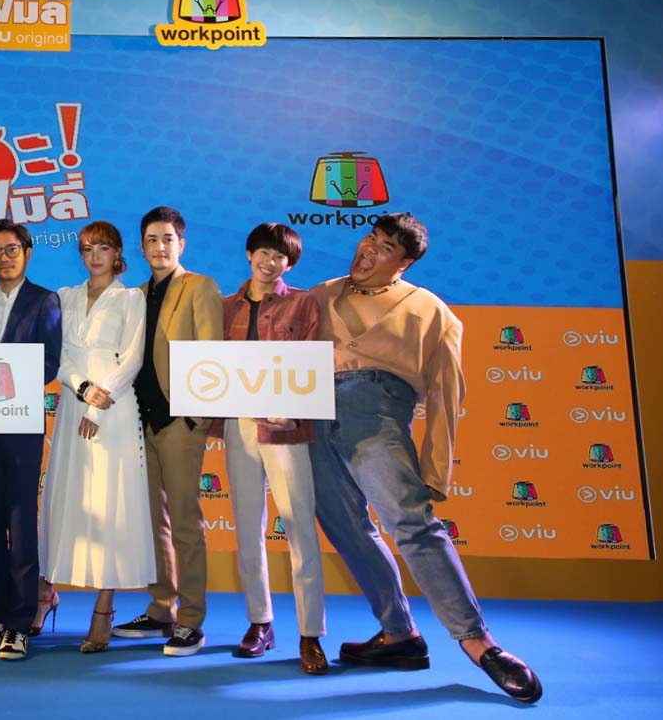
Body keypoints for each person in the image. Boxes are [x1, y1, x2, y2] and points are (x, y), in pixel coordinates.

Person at [308, 213, 542, 702]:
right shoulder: (319, 294)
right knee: (347, 530)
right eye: (370, 237)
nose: (370, 249)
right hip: (310, 418)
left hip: (375, 413)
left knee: (412, 525)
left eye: (386, 247)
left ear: (405, 263)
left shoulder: (433, 311)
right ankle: (399, 635)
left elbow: (446, 394)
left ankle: (479, 643)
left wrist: (436, 467)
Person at [214, 222, 328, 675]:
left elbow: (314, 363)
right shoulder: (224, 307)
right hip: (239, 426)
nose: (269, 261)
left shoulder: (304, 303)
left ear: (289, 264)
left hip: (286, 429)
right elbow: (212, 370)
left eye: (279, 256)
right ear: (249, 254)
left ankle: (310, 633)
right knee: (247, 529)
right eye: (263, 252)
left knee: (299, 528)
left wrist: (292, 413)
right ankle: (260, 622)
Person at [38, 220, 153, 653]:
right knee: (64, 498)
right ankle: (44, 594)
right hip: (73, 403)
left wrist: (97, 404)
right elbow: (60, 354)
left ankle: (104, 609)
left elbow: (133, 358)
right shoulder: (64, 296)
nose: (95, 256)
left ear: (118, 252)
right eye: (87, 248)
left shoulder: (130, 298)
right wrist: (82, 389)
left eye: (103, 248)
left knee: (110, 503)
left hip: (114, 410)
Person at [113, 205, 223, 657]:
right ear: (141, 247)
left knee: (184, 521)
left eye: (167, 239)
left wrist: (196, 418)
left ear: (182, 244)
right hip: (138, 422)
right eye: (152, 240)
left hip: (179, 421)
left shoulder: (200, 287)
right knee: (151, 522)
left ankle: (191, 620)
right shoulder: (134, 296)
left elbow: (212, 355)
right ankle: (162, 607)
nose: (160, 247)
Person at [0, 219, 62, 661]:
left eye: (11, 249)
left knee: (21, 525)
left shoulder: (45, 300)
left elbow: (50, 361)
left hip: (21, 426)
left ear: (27, 252)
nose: (3, 258)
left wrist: (6, 382)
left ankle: (21, 622)